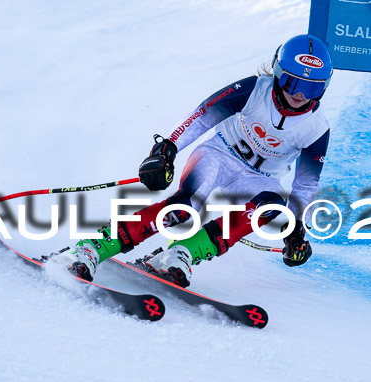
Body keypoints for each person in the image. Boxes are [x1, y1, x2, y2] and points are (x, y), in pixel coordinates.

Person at [53, 34, 333, 287]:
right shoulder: (253, 90)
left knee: (271, 207)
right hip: (219, 155)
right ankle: (92, 248)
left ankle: (181, 253)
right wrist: (168, 148)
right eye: (292, 82)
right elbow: (201, 117)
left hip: (258, 179)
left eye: (311, 89)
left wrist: (296, 228)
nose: (299, 95)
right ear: (277, 74)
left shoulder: (316, 127)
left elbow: (306, 183)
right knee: (183, 209)